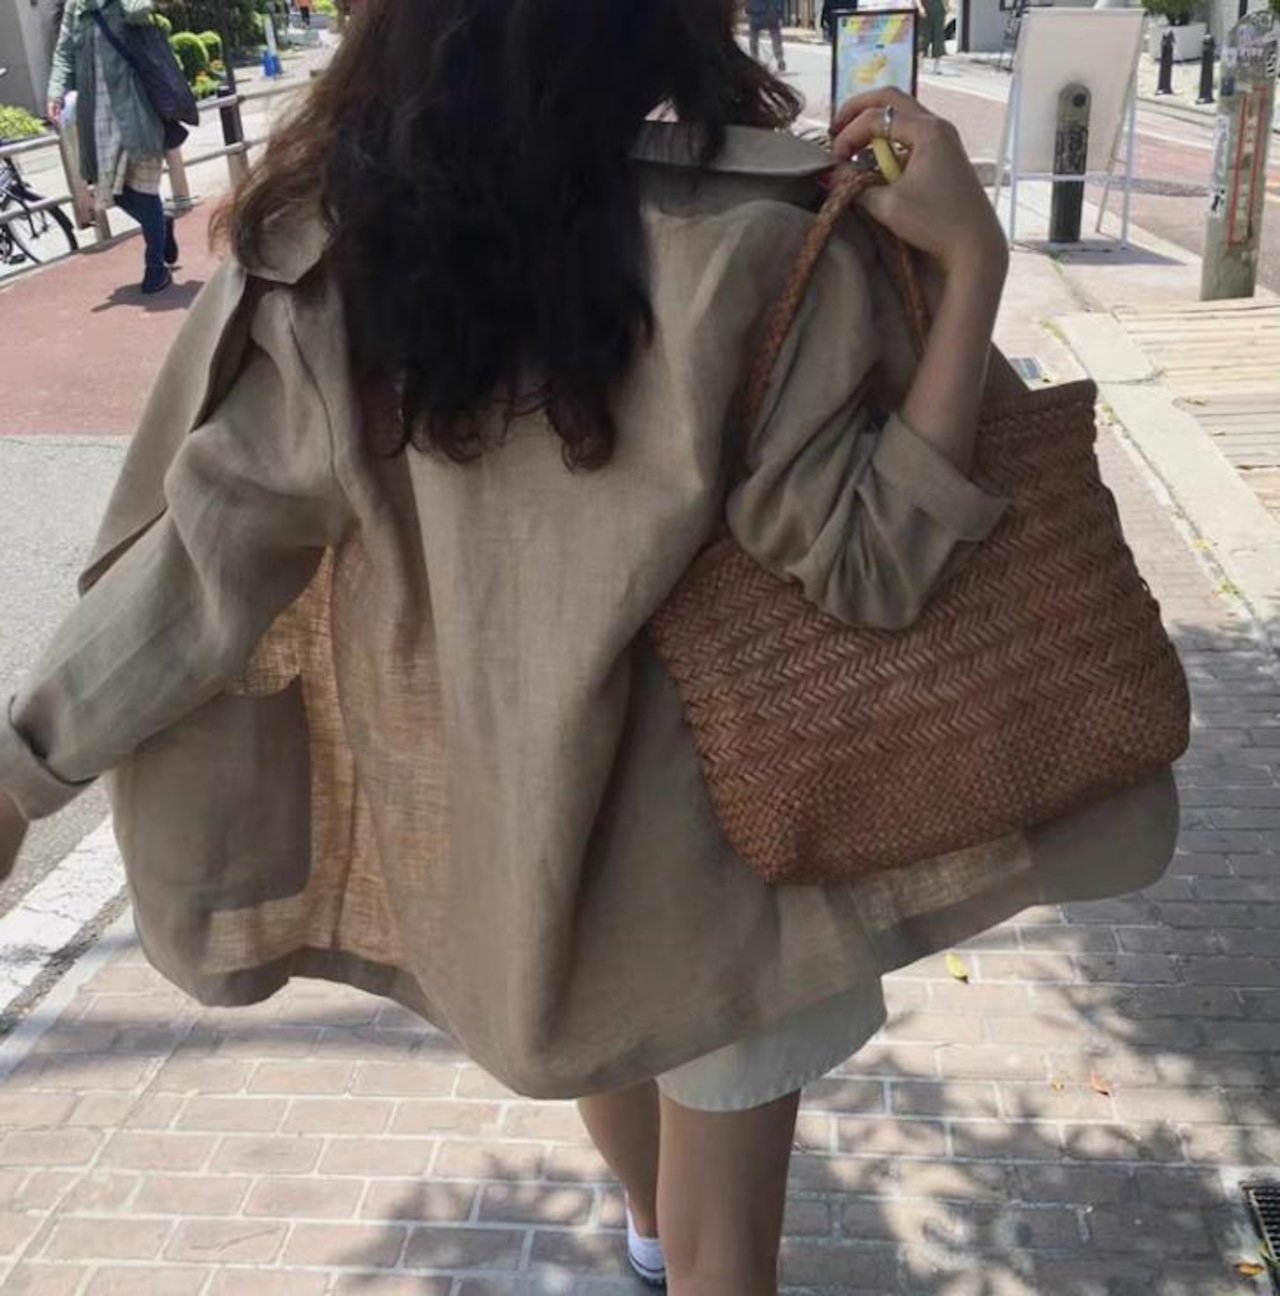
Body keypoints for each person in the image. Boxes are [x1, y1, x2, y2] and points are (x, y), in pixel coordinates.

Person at [0, 2, 1179, 1292]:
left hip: (531, 862)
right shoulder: (755, 241)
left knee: (612, 1081)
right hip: (731, 861)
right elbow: (872, 564)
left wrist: (21, 775)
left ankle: (643, 1243)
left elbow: (198, 569)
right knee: (728, 1250)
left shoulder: (340, 273)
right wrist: (970, 267)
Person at [46, 0, 178, 295]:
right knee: (114, 193)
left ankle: (155, 267)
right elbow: (64, 52)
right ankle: (160, 222)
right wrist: (55, 92)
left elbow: (138, 10)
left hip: (137, 107)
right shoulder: (76, 6)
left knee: (143, 188)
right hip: (97, 113)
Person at [746, 0, 786, 73]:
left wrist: (748, 10)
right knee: (775, 35)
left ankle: (755, 59)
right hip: (771, 13)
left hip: (756, 13)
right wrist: (779, 13)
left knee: (754, 37)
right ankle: (780, 58)